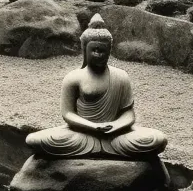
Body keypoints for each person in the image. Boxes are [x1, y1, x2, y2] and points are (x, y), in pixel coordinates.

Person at [25, 14, 168, 159]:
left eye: (102, 51)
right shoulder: (74, 77)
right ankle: (105, 151)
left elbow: (128, 113)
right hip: (82, 134)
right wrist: (93, 127)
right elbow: (68, 113)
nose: (98, 54)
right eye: (94, 50)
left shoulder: (121, 76)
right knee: (33, 140)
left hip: (115, 136)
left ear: (109, 51)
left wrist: (116, 126)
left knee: (158, 139)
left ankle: (97, 150)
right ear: (85, 50)